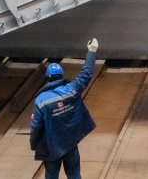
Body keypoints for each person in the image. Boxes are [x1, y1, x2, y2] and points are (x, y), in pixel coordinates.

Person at [30, 38, 99, 179]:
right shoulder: (72, 89)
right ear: (61, 76)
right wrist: (92, 51)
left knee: (51, 175)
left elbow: (36, 125)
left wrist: (33, 143)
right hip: (70, 143)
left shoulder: (41, 101)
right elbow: (86, 73)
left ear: (48, 79)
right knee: (74, 174)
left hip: (51, 147)